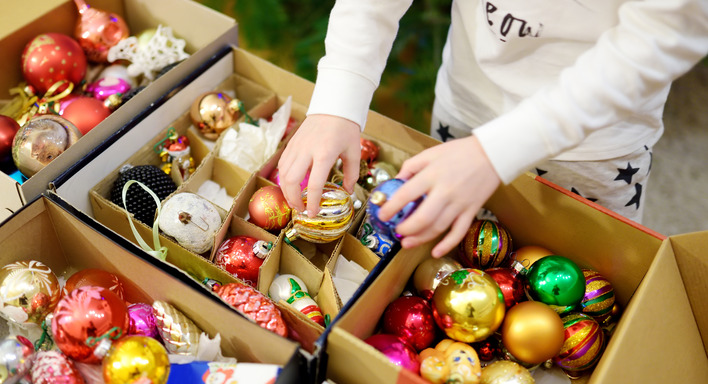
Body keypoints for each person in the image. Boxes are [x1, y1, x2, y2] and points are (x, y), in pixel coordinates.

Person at [276, 0, 708, 258]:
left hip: (593, 148)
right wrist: (341, 92)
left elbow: (665, 36)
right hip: (465, 104)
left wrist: (495, 153)